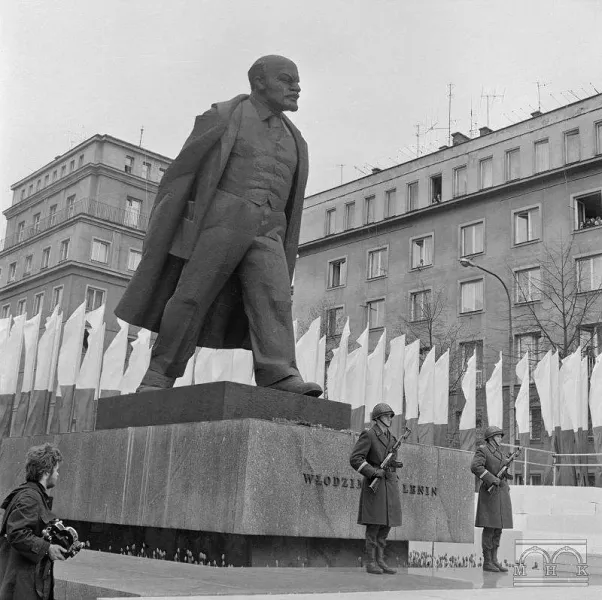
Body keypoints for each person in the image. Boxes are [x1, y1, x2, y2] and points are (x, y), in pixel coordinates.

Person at [115, 55, 321, 397]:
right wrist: (181, 223)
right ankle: (159, 375)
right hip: (221, 219)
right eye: (286, 79)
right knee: (191, 296)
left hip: (270, 228)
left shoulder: (295, 138)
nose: (296, 87)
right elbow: (182, 174)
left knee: (275, 299)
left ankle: (279, 374)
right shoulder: (224, 116)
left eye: (296, 81)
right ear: (258, 81)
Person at [0, 443, 67, 599]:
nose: (57, 474)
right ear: (45, 472)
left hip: (26, 584)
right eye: (56, 470)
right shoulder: (30, 497)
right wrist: (47, 548)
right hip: (22, 588)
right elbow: (16, 534)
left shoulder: (33, 495)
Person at [350, 403, 403, 575]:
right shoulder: (369, 434)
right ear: (378, 417)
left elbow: (391, 460)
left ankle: (381, 560)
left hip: (389, 485)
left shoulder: (392, 438)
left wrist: (394, 464)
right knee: (374, 526)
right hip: (376, 486)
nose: (390, 419)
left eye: (390, 416)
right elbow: (356, 459)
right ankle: (371, 561)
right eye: (387, 415)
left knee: (385, 526)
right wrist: (373, 472)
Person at [470, 426, 513, 573]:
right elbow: (475, 467)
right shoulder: (483, 450)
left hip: (500, 493)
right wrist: (491, 478)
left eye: (501, 436)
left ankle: (495, 560)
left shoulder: (499, 453)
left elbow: (500, 470)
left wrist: (505, 472)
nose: (501, 438)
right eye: (498, 436)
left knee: (498, 529)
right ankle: (487, 561)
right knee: (490, 528)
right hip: (490, 493)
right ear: (491, 438)